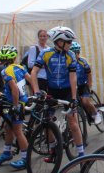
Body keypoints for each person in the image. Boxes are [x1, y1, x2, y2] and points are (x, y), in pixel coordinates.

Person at [30, 26, 85, 159]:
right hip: (52, 91)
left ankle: (81, 155)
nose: (71, 44)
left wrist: (73, 98)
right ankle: (53, 150)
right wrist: (36, 91)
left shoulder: (70, 55)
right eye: (69, 42)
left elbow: (73, 77)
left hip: (67, 91)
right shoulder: (46, 53)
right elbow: (34, 72)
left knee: (73, 123)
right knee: (48, 123)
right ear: (60, 42)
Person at [0, 45, 30, 169]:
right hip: (18, 101)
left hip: (16, 103)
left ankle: (25, 159)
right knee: (8, 127)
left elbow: (15, 90)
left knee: (18, 131)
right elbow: (30, 79)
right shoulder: (20, 67)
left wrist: (15, 105)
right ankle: (6, 153)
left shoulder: (5, 71)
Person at [71, 42, 102, 125]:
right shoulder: (67, 62)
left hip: (83, 85)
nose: (76, 55)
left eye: (77, 53)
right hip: (73, 86)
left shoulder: (83, 61)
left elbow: (89, 74)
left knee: (85, 102)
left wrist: (90, 85)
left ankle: (96, 114)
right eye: (73, 53)